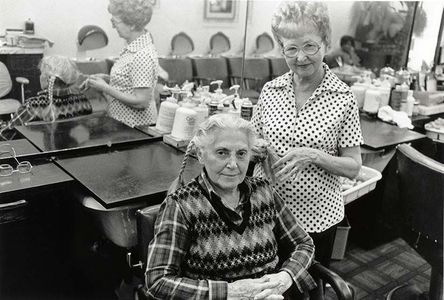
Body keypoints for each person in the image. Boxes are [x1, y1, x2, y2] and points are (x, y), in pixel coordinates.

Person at [146, 114, 316, 300]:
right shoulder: (181, 205)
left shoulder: (264, 191)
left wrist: (284, 278)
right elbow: (158, 281)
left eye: (241, 153)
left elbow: (303, 243)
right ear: (201, 155)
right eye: (222, 153)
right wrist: (230, 292)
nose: (233, 164)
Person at [251, 1, 363, 268]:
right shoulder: (271, 90)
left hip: (316, 220)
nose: (300, 57)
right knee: (265, 285)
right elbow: (251, 139)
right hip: (266, 212)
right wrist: (258, 149)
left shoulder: (343, 98)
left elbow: (353, 167)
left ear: (326, 42)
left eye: (310, 46)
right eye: (291, 48)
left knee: (307, 288)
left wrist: (313, 155)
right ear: (281, 48)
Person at [81, 0, 159, 127]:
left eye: (115, 22)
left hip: (136, 127)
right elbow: (133, 80)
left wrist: (106, 88)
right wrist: (107, 79)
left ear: (132, 25)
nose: (113, 26)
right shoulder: (132, 48)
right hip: (124, 124)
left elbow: (141, 102)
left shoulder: (142, 54)